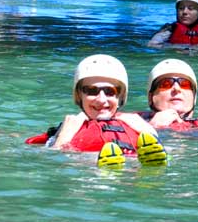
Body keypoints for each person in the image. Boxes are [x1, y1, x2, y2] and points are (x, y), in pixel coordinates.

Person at [25, 54, 167, 167]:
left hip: (132, 170)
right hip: (85, 170)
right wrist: (63, 137)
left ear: (120, 97)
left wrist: (150, 131)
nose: (101, 99)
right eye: (91, 91)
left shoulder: (136, 123)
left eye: (109, 91)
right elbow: (47, 159)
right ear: (79, 96)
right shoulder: (66, 128)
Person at [138, 59, 198, 131]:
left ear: (194, 97)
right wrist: (151, 128)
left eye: (185, 84)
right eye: (166, 84)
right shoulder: (135, 123)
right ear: (151, 97)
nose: (177, 89)